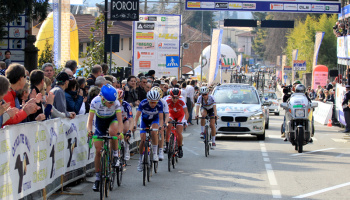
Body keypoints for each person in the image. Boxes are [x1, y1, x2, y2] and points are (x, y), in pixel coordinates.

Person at [87, 84, 123, 191]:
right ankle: (97, 178)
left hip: (112, 120)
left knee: (113, 132)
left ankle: (115, 155)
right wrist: (89, 130)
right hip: (100, 123)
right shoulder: (95, 101)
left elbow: (120, 121)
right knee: (98, 150)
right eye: (109, 102)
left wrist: (120, 133)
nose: (112, 104)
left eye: (113, 102)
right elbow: (90, 120)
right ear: (103, 98)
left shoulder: (116, 102)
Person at [133, 90, 163, 172]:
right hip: (144, 121)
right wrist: (134, 125)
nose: (153, 104)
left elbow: (161, 118)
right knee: (142, 140)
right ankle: (140, 159)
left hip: (154, 120)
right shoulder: (143, 103)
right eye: (151, 102)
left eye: (155, 102)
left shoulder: (160, 104)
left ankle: (155, 153)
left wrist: (160, 126)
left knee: (154, 132)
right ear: (148, 100)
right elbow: (136, 117)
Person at [165, 88, 188, 158]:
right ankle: (167, 145)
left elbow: (186, 112)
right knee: (168, 126)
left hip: (180, 115)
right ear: (170, 96)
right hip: (171, 114)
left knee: (178, 132)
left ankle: (180, 148)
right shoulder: (167, 100)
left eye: (176, 98)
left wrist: (185, 121)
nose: (175, 100)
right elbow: (164, 111)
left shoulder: (181, 100)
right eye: (173, 98)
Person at [152, 86, 169, 160]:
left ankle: (161, 150)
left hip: (160, 117)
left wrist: (165, 123)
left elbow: (167, 114)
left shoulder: (163, 102)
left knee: (161, 130)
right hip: (151, 117)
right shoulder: (148, 100)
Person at [116, 89, 133, 160]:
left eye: (120, 99)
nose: (119, 102)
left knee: (125, 129)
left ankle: (126, 148)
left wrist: (129, 131)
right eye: (117, 100)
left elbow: (131, 120)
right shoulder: (113, 104)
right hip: (116, 121)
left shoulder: (126, 105)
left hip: (124, 120)